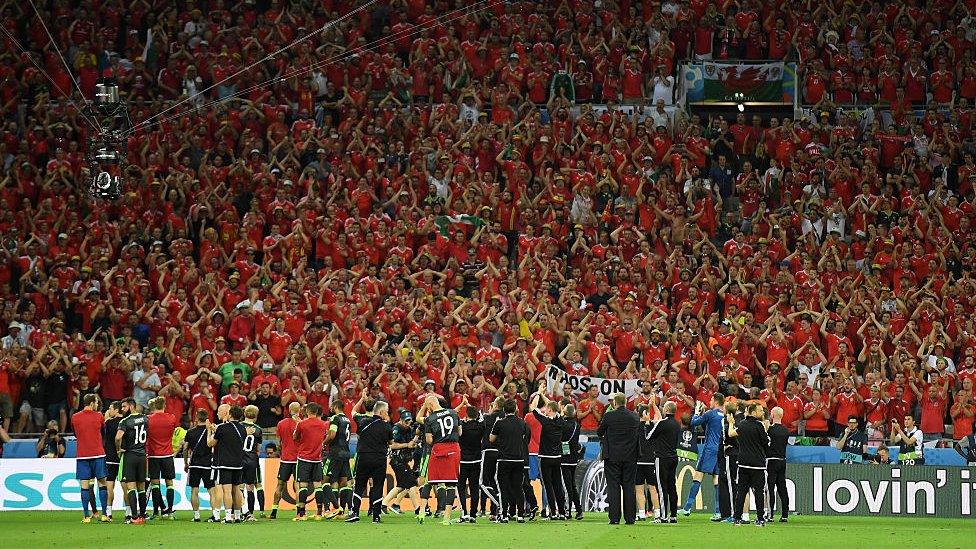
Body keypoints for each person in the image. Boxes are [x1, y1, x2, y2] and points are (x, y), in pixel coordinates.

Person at [680, 393, 725, 520]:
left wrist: (697, 411)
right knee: (716, 480)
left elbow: (694, 422)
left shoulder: (711, 413)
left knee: (698, 476)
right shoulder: (724, 415)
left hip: (709, 449)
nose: (710, 401)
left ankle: (687, 508)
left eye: (711, 399)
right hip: (719, 449)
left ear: (715, 401)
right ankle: (718, 512)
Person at [347, 400, 393, 523]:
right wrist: (387, 421)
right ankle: (376, 516)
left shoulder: (362, 421)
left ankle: (354, 513)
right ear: (382, 412)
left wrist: (361, 399)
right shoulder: (387, 426)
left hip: (363, 457)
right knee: (377, 486)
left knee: (359, 485)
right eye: (386, 412)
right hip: (379, 459)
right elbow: (390, 443)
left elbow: (353, 412)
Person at [597, 392, 640, 525]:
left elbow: (599, 432)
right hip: (630, 457)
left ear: (615, 403)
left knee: (613, 487)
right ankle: (630, 518)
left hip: (612, 457)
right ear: (625, 402)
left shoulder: (609, 416)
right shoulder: (634, 416)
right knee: (629, 486)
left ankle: (614, 518)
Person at [420, 395, 462, 525]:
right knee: (451, 484)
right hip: (453, 449)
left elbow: (429, 440)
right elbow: (460, 432)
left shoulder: (429, 419)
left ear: (430, 405)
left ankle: (421, 511)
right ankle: (446, 518)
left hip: (438, 449)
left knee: (430, 481)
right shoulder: (453, 413)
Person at [529, 388, 567, 520]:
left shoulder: (545, 421)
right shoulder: (560, 421)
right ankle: (562, 512)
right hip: (557, 458)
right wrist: (544, 397)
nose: (545, 409)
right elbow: (553, 406)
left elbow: (533, 407)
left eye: (547, 409)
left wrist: (539, 393)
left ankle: (553, 512)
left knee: (548, 486)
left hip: (545, 458)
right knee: (557, 485)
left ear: (550, 410)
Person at [489, 398, 529, 523]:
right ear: (516, 409)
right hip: (518, 459)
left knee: (503, 488)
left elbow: (491, 439)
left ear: (504, 410)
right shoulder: (522, 423)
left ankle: (504, 515)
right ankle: (521, 515)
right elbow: (525, 438)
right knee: (518, 488)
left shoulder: (500, 423)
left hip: (504, 459)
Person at [729, 403, 769, 526]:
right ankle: (760, 519)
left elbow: (730, 434)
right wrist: (766, 430)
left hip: (743, 463)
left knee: (741, 491)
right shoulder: (760, 425)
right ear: (753, 412)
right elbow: (766, 442)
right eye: (760, 410)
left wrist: (731, 422)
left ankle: (736, 518)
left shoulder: (741, 424)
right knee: (759, 492)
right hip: (758, 464)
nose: (762, 412)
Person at [72, 393, 108, 522]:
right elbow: (103, 433)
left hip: (82, 456)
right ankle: (104, 515)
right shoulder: (99, 416)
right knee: (102, 483)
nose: (97, 405)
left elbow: (76, 434)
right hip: (98, 454)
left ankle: (87, 516)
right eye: (96, 403)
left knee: (84, 485)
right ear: (92, 403)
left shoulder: (75, 417)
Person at [643, 400, 681, 523]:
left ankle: (663, 516)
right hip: (673, 457)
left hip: (662, 458)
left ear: (666, 410)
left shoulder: (662, 423)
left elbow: (648, 436)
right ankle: (673, 515)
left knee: (661, 487)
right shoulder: (676, 423)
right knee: (672, 487)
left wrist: (648, 422)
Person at [208, 404, 246, 523]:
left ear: (230, 414)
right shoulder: (243, 429)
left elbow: (211, 444)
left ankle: (228, 516)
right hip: (238, 463)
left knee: (227, 491)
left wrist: (210, 431)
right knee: (237, 490)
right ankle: (238, 516)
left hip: (224, 463)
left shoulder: (222, 428)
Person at [115, 398, 149, 524]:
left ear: (131, 406)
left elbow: (118, 437)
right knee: (141, 487)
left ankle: (134, 517)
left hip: (130, 456)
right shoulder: (145, 418)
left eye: (124, 407)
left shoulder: (125, 421)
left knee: (130, 487)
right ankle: (143, 516)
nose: (122, 409)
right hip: (141, 456)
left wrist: (118, 449)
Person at [293, 402, 328, 521]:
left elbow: (295, 437)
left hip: (304, 458)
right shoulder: (323, 424)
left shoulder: (302, 424)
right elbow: (323, 438)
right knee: (318, 486)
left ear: (307, 411)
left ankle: (302, 514)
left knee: (303, 486)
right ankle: (319, 513)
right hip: (317, 459)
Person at [182, 409, 219, 522]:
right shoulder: (211, 431)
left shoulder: (190, 432)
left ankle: (197, 515)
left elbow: (185, 449)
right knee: (212, 490)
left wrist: (185, 463)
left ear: (196, 417)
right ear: (207, 418)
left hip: (194, 465)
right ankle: (215, 515)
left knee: (194, 490)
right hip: (208, 464)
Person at [382, 410, 422, 514]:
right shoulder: (396, 429)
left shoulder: (408, 429)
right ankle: (417, 508)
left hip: (403, 460)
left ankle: (384, 504)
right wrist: (406, 445)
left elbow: (410, 442)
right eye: (406, 422)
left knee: (401, 485)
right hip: (397, 460)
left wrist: (415, 440)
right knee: (411, 482)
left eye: (410, 422)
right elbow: (391, 445)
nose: (408, 424)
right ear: (401, 420)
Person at [146, 396, 178, 519]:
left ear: (154, 406)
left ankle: (155, 512)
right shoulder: (171, 418)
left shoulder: (149, 419)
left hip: (153, 455)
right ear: (164, 405)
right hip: (167, 454)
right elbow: (173, 430)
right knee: (169, 483)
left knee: (155, 484)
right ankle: (169, 512)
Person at [270, 401, 302, 519]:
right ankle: (299, 512)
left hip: (285, 459)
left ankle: (273, 512)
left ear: (289, 410)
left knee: (280, 485)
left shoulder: (281, 423)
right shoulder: (301, 423)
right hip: (298, 458)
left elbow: (279, 443)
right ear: (299, 410)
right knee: (298, 485)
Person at [323, 398, 353, 519]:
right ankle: (341, 512)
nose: (330, 409)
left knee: (324, 481)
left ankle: (336, 507)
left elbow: (332, 435)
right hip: (346, 453)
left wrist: (324, 443)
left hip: (335, 453)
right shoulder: (348, 420)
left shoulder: (335, 419)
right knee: (343, 482)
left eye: (331, 407)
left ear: (335, 407)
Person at [457, 404, 485, 522]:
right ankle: (473, 514)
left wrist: (464, 405)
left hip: (463, 460)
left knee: (461, 487)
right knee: (474, 487)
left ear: (466, 415)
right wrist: (470, 406)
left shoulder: (462, 426)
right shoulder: (481, 426)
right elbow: (482, 417)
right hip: (476, 460)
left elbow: (456, 419)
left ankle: (464, 512)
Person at [480, 397, 505, 520]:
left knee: (484, 482)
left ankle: (499, 504)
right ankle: (495, 512)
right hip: (501, 453)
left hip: (488, 451)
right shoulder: (506, 418)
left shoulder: (487, 417)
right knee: (496, 482)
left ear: (495, 405)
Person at [635, 405, 661, 521]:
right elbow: (660, 419)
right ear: (647, 414)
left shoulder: (634, 427)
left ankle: (641, 514)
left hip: (638, 462)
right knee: (653, 489)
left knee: (639, 489)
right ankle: (657, 513)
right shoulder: (654, 426)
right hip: (651, 462)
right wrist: (654, 406)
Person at [560, 403, 584, 520]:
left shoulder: (562, 424)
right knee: (572, 485)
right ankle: (579, 510)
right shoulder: (576, 425)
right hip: (573, 458)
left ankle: (568, 511)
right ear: (574, 413)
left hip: (563, 458)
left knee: (567, 486)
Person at [766, 407, 790, 523]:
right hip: (782, 460)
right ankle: (785, 514)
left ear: (773, 415)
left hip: (771, 460)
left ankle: (770, 515)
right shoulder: (786, 431)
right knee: (782, 488)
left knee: (770, 488)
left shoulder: (770, 429)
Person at [241, 405, 265, 520]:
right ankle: (250, 513)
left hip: (239, 459)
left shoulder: (239, 426)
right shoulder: (258, 429)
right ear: (256, 415)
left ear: (244, 413)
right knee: (250, 486)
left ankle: (239, 511)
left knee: (239, 487)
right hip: (252, 460)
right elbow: (258, 449)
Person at [102, 402, 124, 521]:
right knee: (127, 486)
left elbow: (104, 429)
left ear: (116, 410)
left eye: (110, 408)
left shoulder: (108, 422)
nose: (108, 410)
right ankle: (129, 513)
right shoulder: (126, 422)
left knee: (109, 486)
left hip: (110, 458)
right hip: (122, 458)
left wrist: (107, 417)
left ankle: (108, 513)